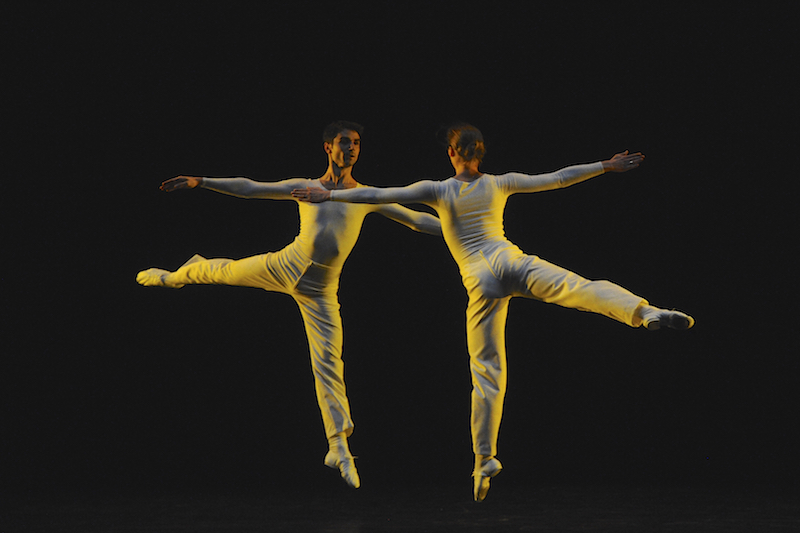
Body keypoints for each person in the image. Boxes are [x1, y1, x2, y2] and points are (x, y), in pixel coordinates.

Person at [291, 122, 694, 501]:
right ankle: (645, 312)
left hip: (481, 283)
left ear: (452, 153)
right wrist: (606, 166)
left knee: (487, 372)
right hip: (514, 262)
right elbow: (556, 177)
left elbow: (379, 194)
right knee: (579, 288)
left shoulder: (437, 188)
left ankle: (484, 461)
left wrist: (330, 195)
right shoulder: (501, 183)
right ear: (480, 154)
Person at [136, 121, 442, 489]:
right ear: (328, 147)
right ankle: (174, 276)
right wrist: (202, 181)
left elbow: (417, 221)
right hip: (286, 265)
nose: (351, 148)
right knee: (226, 272)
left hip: (320, 290)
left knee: (328, 363)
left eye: (357, 143)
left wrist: (465, 229)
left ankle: (338, 447)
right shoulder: (307, 188)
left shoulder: (366, 195)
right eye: (344, 142)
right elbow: (252, 188)